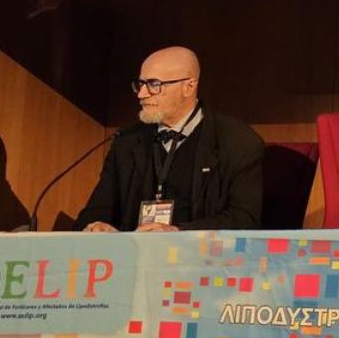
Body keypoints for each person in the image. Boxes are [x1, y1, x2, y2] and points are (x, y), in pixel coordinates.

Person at [78, 47, 265, 231]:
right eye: (140, 84)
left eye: (154, 84)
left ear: (188, 87)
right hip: (135, 250)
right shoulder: (126, 141)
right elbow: (96, 211)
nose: (141, 94)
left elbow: (244, 219)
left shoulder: (238, 141)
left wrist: (177, 233)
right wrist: (98, 227)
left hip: (199, 251)